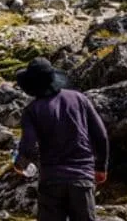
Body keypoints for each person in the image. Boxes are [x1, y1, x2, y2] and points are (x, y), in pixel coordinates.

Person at [13, 59, 109, 221]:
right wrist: (101, 167)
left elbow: (28, 145)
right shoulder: (80, 99)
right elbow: (101, 135)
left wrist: (20, 165)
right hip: (82, 177)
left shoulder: (32, 110)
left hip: (51, 180)